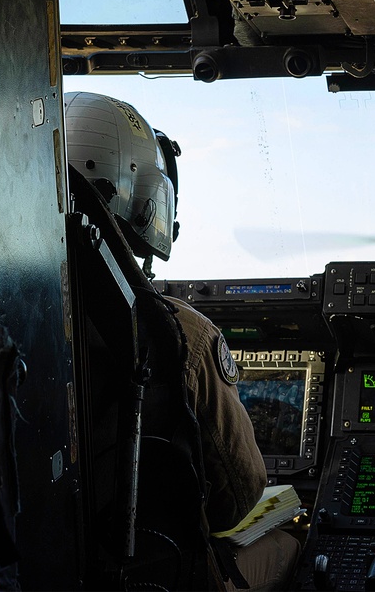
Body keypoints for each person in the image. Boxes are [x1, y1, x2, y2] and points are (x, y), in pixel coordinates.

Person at [64, 91, 301, 591]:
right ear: (148, 198)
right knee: (291, 541)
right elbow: (237, 497)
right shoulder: (178, 334)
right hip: (147, 576)